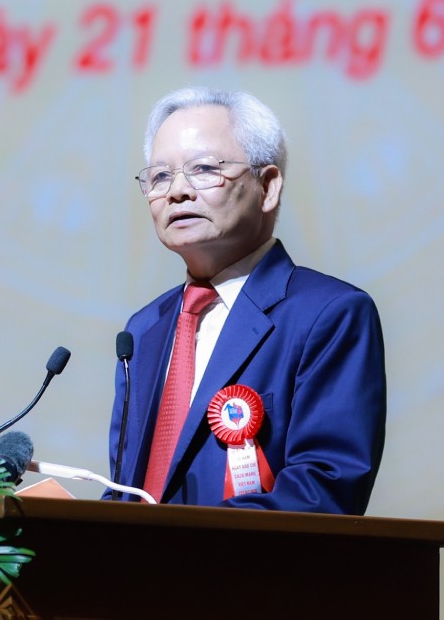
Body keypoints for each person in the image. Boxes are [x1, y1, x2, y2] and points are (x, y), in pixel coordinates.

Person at [108, 86, 385, 514]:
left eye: (203, 169)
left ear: (268, 187)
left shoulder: (329, 315)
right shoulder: (144, 329)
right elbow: (129, 490)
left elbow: (325, 490)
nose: (176, 192)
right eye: (160, 176)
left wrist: (177, 551)